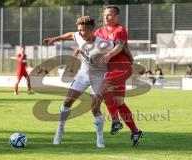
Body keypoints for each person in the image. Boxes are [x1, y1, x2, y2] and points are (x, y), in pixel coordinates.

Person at [43, 16, 116, 148]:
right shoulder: (79, 36)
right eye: (79, 30)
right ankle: (60, 130)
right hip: (83, 74)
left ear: (91, 30)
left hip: (98, 77)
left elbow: (118, 46)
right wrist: (55, 39)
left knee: (95, 108)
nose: (80, 33)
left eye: (83, 30)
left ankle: (99, 138)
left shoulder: (103, 44)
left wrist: (115, 57)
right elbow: (71, 34)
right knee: (67, 102)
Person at [94, 5, 143, 147]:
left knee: (103, 87)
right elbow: (91, 42)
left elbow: (120, 46)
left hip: (122, 67)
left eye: (109, 15)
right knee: (119, 103)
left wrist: (109, 54)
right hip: (111, 70)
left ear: (116, 17)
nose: (106, 17)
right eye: (105, 15)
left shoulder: (120, 30)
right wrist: (81, 48)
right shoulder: (99, 32)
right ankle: (135, 131)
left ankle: (115, 121)